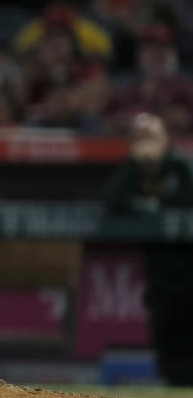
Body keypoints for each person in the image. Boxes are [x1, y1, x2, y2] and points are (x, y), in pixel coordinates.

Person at [104, 113, 193, 386]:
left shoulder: (181, 166)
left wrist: (153, 205)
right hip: (159, 273)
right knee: (165, 343)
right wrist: (134, 164)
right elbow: (113, 200)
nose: (147, 143)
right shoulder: (133, 170)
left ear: (165, 139)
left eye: (151, 136)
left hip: (189, 270)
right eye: (140, 138)